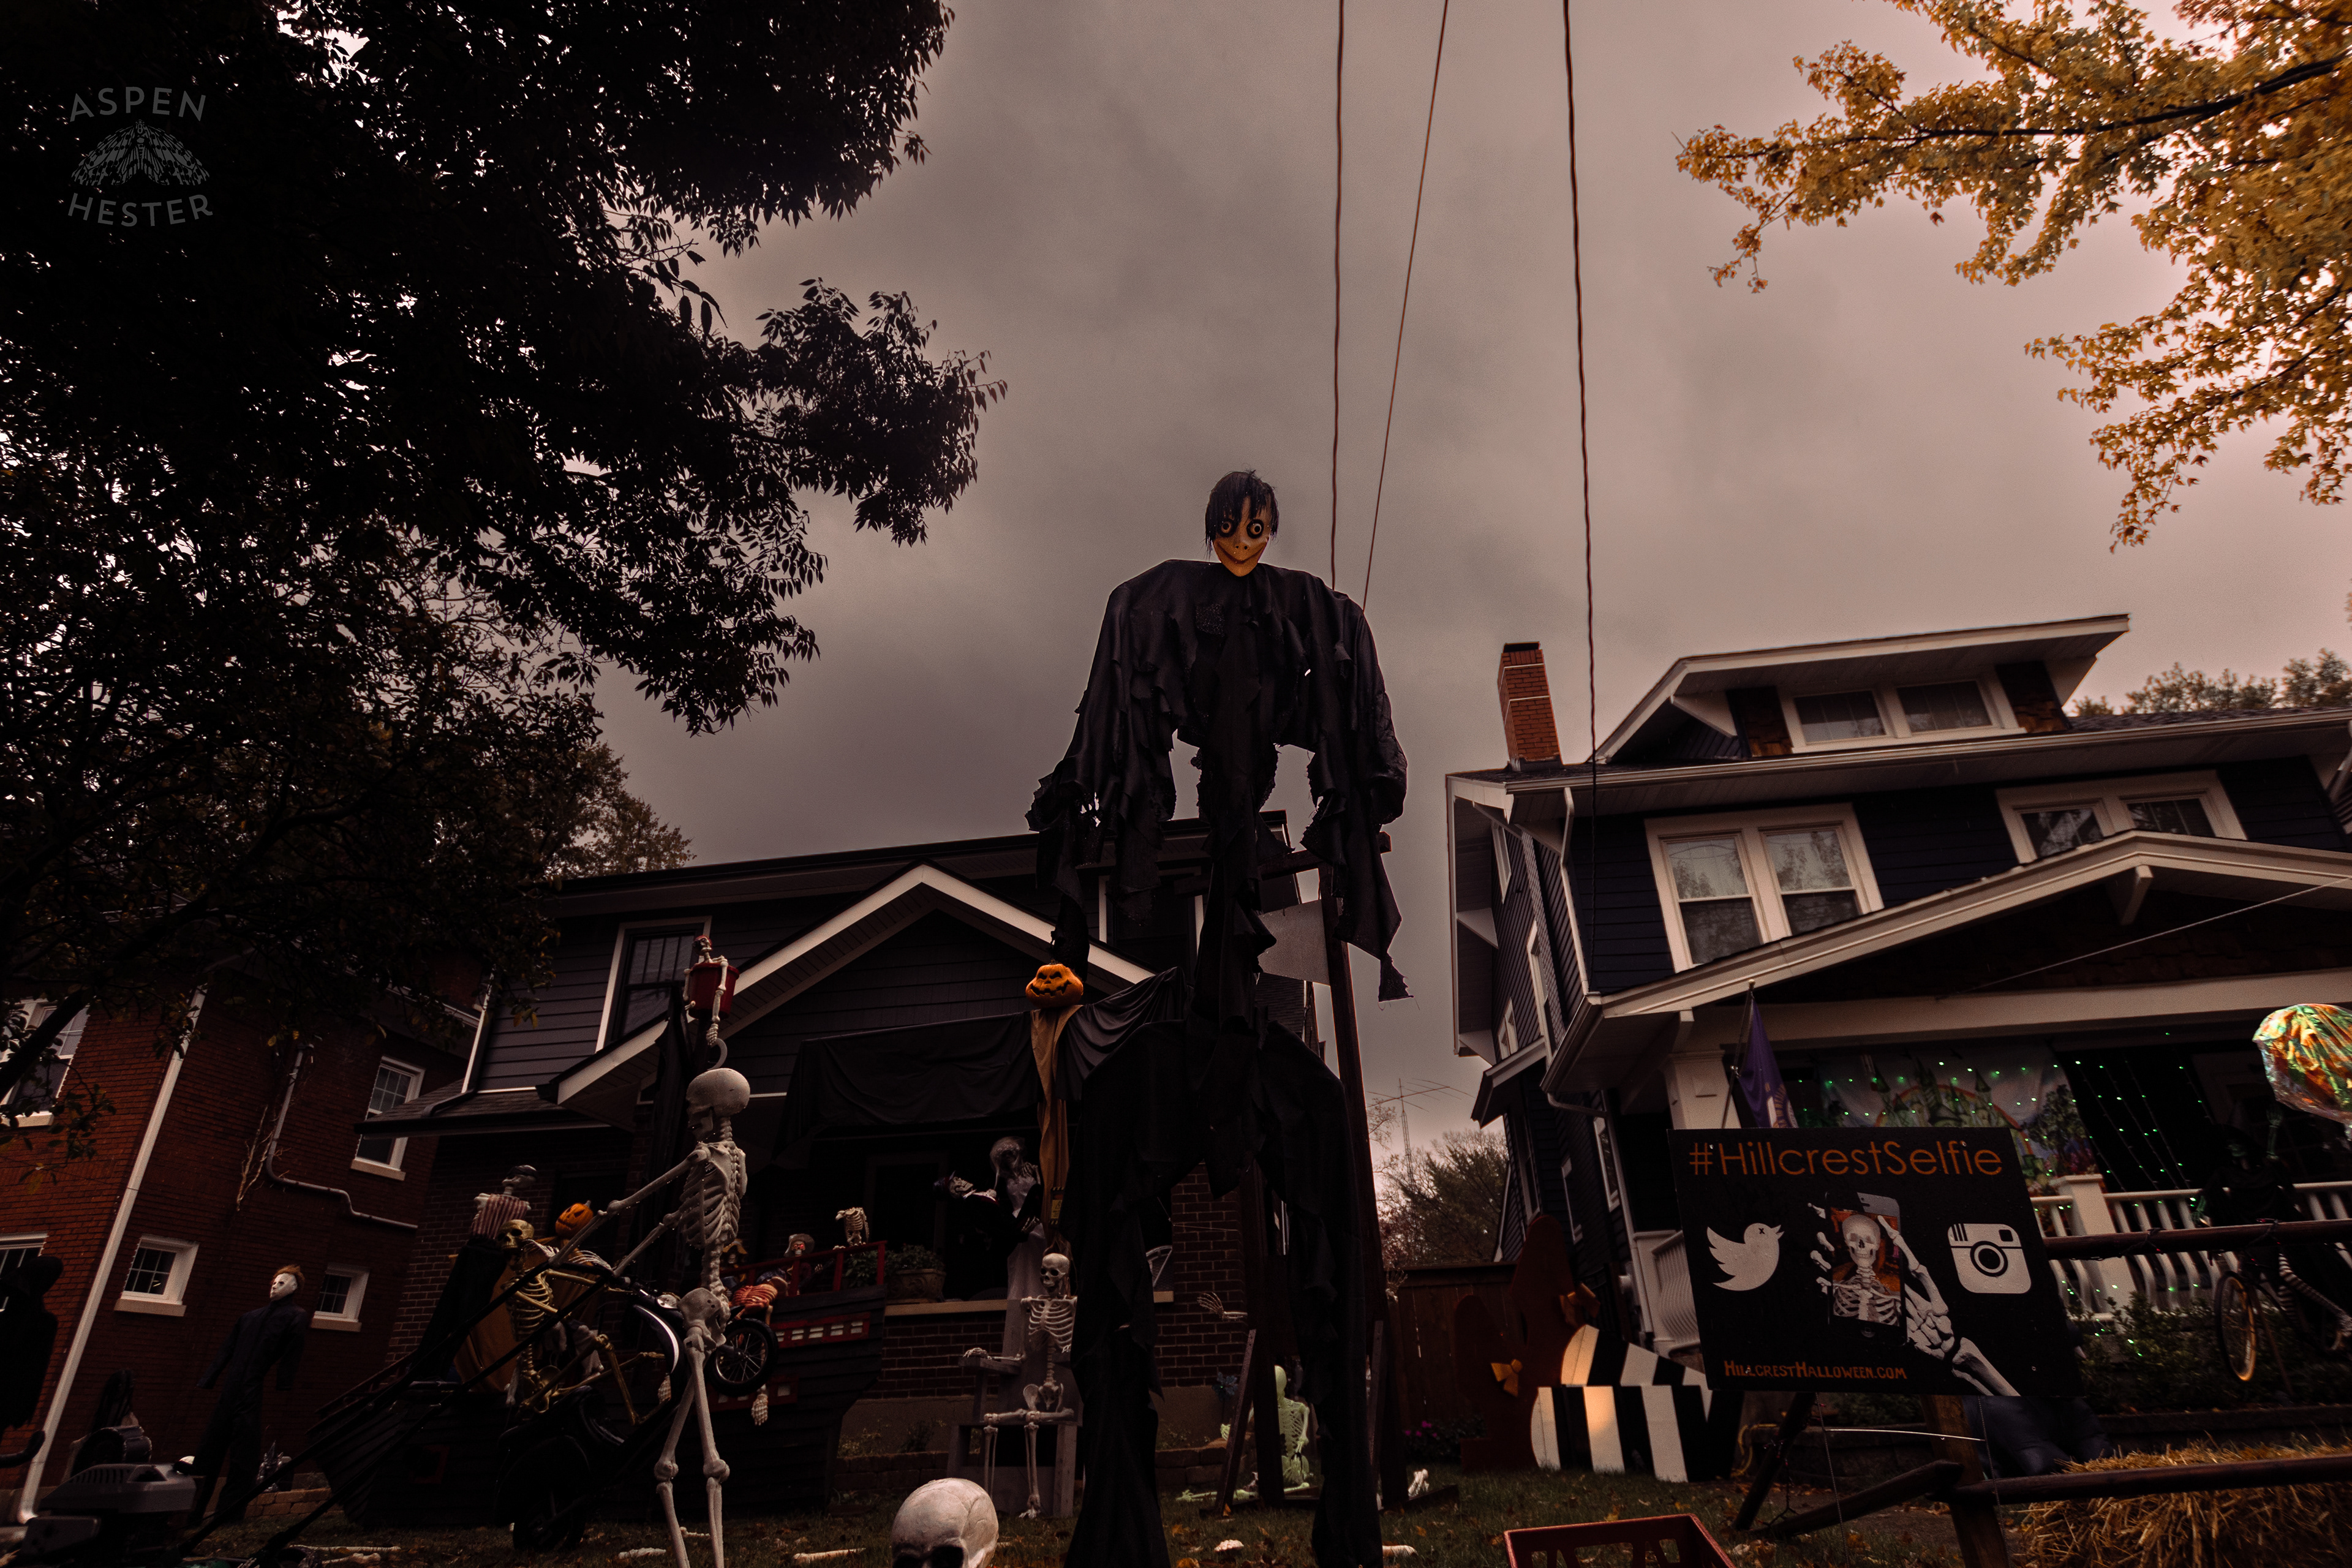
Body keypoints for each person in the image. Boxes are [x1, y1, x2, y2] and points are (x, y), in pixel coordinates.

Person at [190, 1265, 308, 1521]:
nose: (275, 1286)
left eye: (282, 1283)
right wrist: (208, 1378)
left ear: (294, 1287)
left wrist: (284, 1384)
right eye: (274, 1282)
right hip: (230, 1391)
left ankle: (228, 1515)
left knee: (244, 1456)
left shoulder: (295, 1317)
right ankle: (190, 1514)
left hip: (251, 1390)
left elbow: (292, 1354)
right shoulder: (249, 1318)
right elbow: (226, 1350)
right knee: (207, 1452)